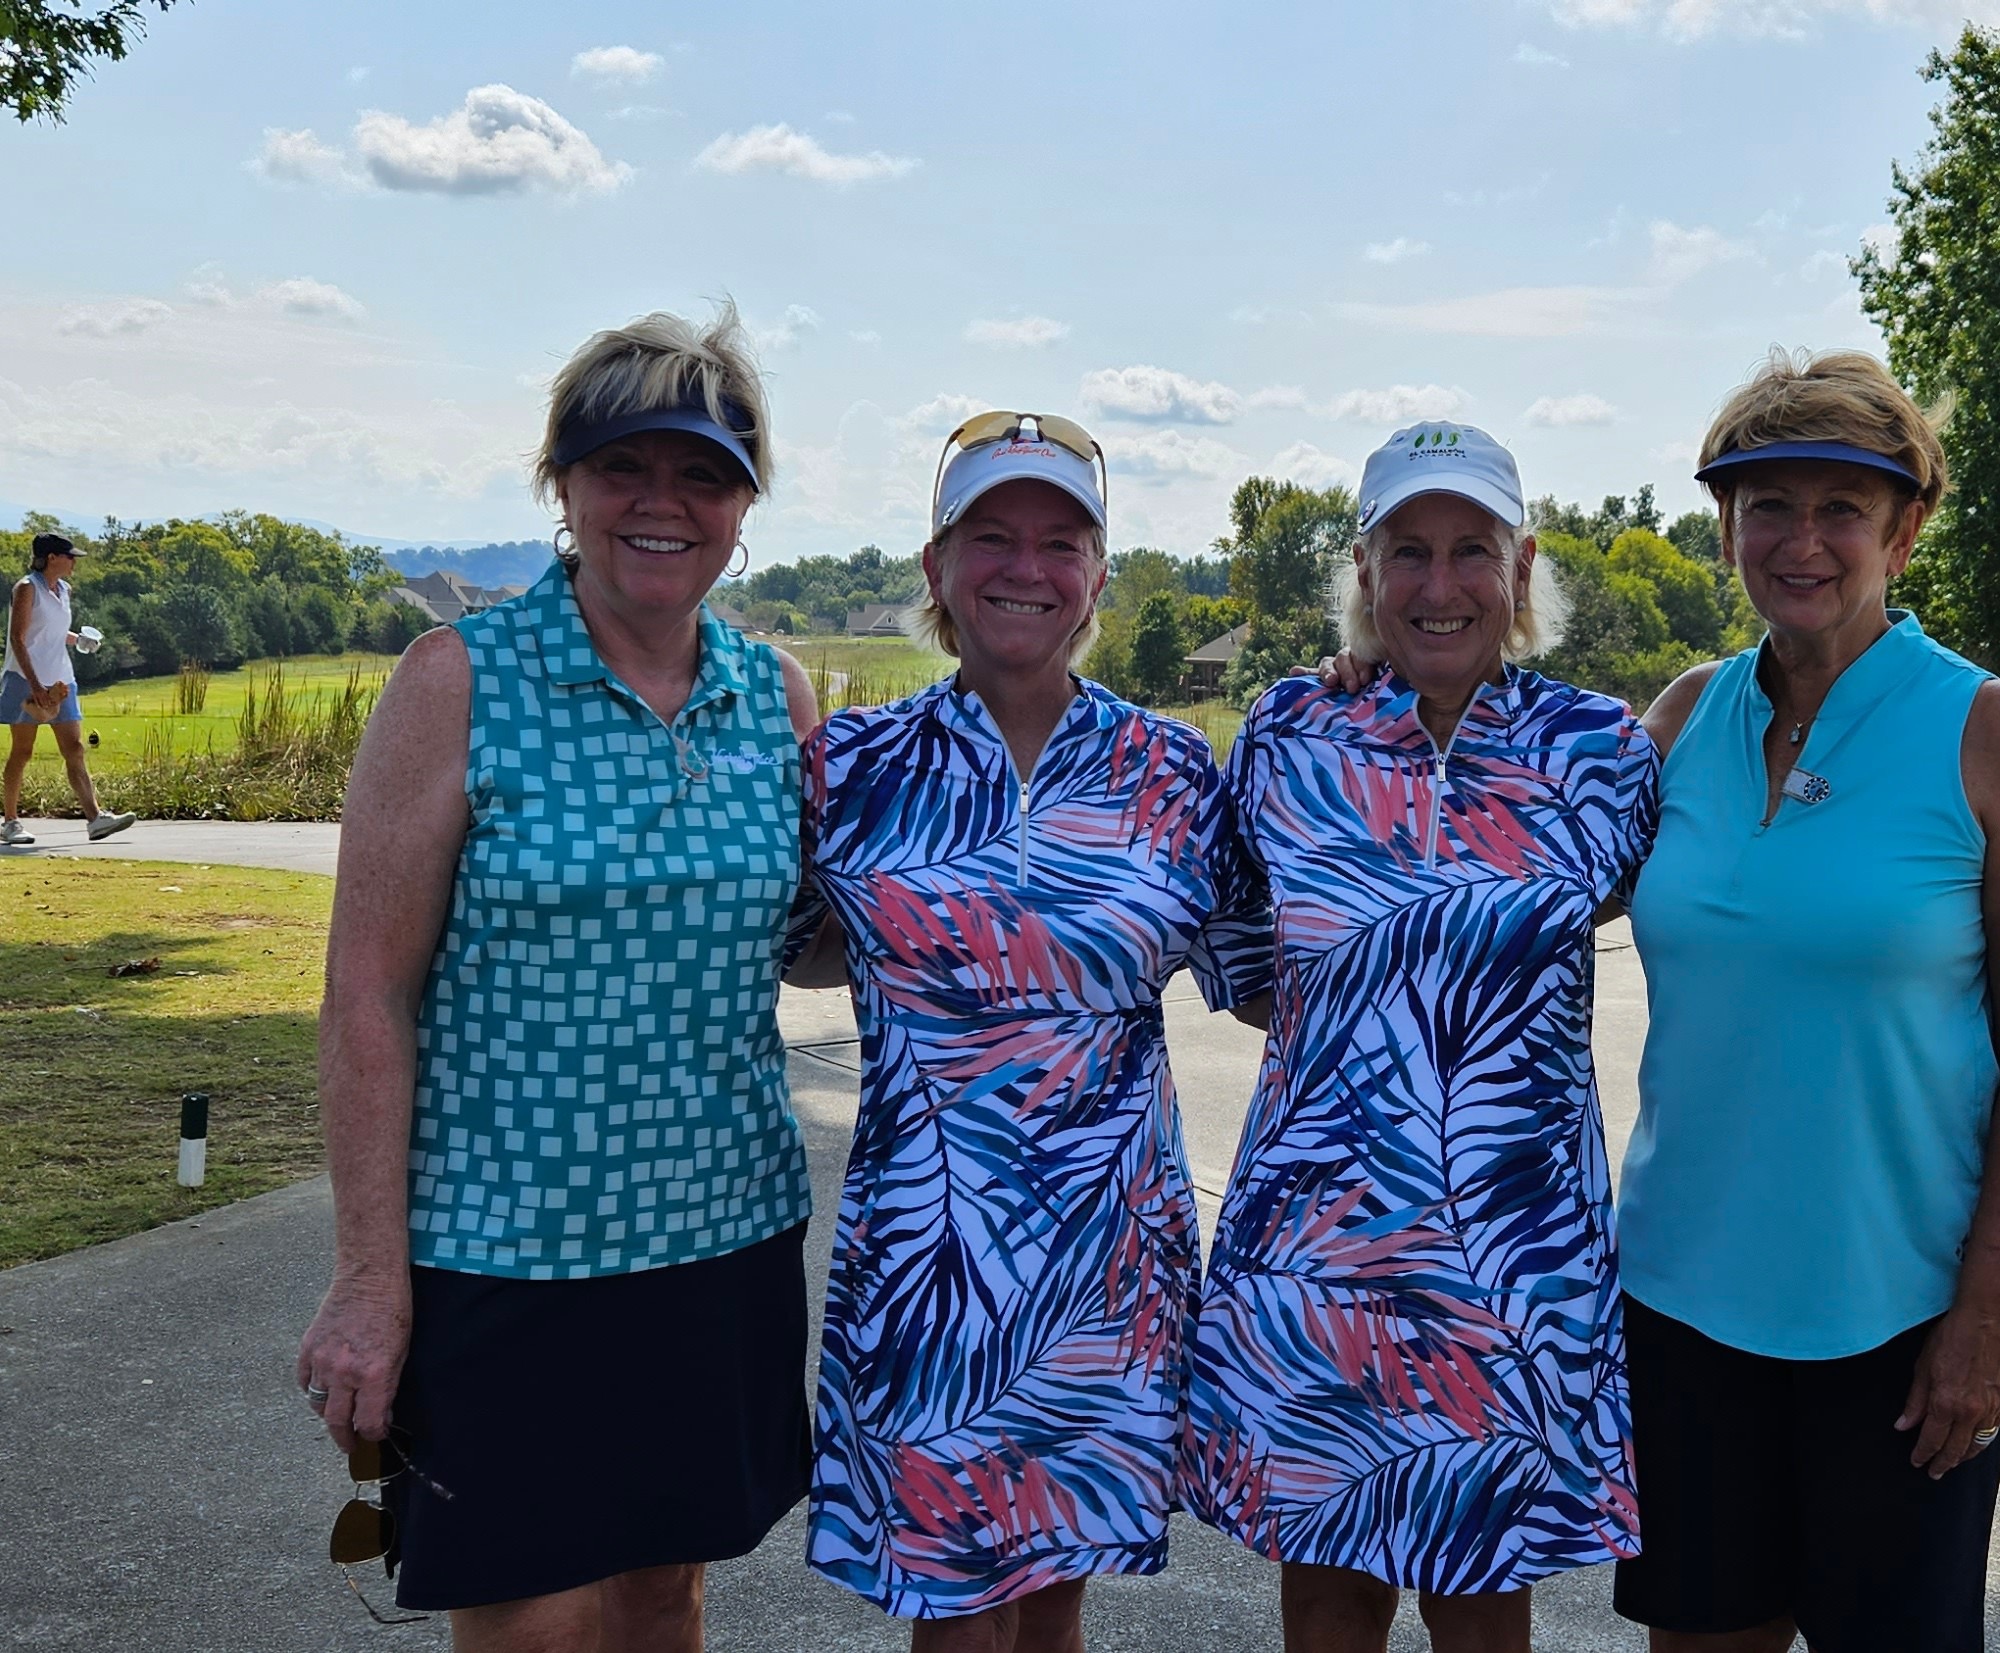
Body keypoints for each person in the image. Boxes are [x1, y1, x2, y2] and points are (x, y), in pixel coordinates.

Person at [294, 305, 823, 1650]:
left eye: (701, 473)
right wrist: (368, 1277)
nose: (661, 502)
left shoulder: (777, 696)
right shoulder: (459, 681)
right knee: (532, 1617)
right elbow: (367, 995)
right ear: (563, 486)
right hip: (502, 1247)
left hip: (720, 1230)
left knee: (662, 1591)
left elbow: (813, 941)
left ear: (744, 504)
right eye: (621, 466)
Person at [1610, 348, 2000, 1652]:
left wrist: (1987, 1315)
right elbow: (1514, 870)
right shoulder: (1683, 716)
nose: (1801, 540)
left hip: (1905, 1320)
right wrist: (1375, 695)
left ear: (1905, 528)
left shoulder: (1989, 730)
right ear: (1727, 526)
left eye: (1841, 507)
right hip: (1680, 1303)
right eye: (1767, 505)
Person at [787, 411, 1274, 1651]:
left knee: (1057, 1594)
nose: (1027, 567)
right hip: (926, 1260)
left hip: (1109, 1266)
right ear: (937, 565)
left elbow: (1269, 981)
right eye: (992, 535)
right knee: (950, 1608)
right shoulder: (852, 765)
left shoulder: (1173, 771)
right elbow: (783, 949)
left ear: (1098, 575)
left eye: (1062, 542)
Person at [1189, 423, 1659, 1653]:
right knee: (1328, 1601)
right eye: (1408, 551)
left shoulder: (1602, 752)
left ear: (1521, 568)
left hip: (1510, 1263)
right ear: (1364, 571)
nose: (1439, 584)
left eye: (1471, 551)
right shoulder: (1288, 734)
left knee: (1483, 1601)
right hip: (1320, 1256)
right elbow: (1249, 970)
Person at [2, 531, 135, 844]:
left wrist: (78, 640)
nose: (74, 561)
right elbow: (18, 638)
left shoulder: (64, 589)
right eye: (69, 556)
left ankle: (95, 819)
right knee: (23, 751)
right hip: (26, 679)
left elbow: (51, 631)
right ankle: (10, 822)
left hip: (62, 679)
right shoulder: (26, 588)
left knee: (74, 748)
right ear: (51, 558)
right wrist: (35, 685)